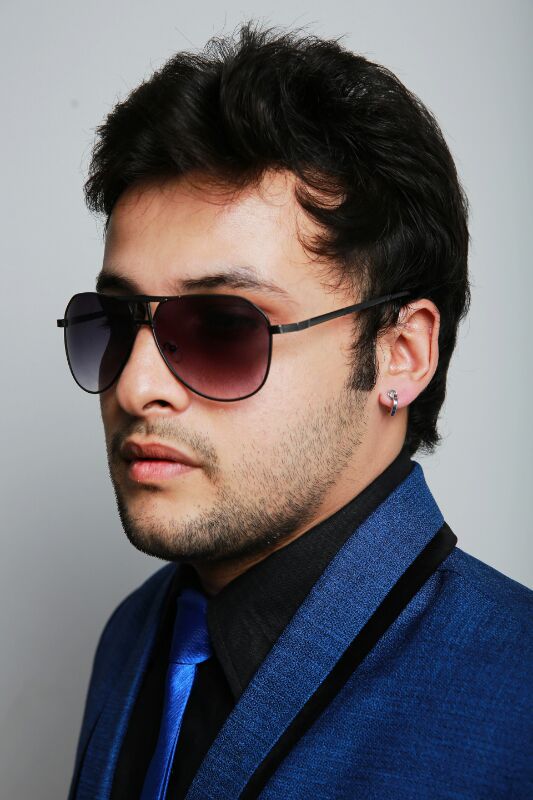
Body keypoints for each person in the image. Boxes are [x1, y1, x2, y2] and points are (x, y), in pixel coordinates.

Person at [59, 22, 532, 800]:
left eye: (223, 327)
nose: (137, 386)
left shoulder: (513, 698)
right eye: (113, 322)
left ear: (400, 353)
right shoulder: (135, 636)